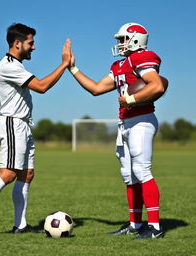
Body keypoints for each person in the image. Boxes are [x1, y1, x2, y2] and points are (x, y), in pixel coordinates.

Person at [0, 23, 71, 237]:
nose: (34, 47)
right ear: (17, 43)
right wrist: (64, 64)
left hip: (22, 125)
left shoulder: (17, 65)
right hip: (12, 123)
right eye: (31, 43)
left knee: (27, 174)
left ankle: (20, 225)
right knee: (9, 173)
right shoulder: (7, 65)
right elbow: (41, 87)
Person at [68, 22, 168, 239]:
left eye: (122, 39)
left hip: (141, 119)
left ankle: (155, 227)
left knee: (142, 171)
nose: (120, 44)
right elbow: (95, 88)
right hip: (126, 122)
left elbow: (156, 85)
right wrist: (72, 68)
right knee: (129, 175)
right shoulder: (120, 65)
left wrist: (130, 99)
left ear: (134, 39)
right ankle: (135, 224)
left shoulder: (143, 57)